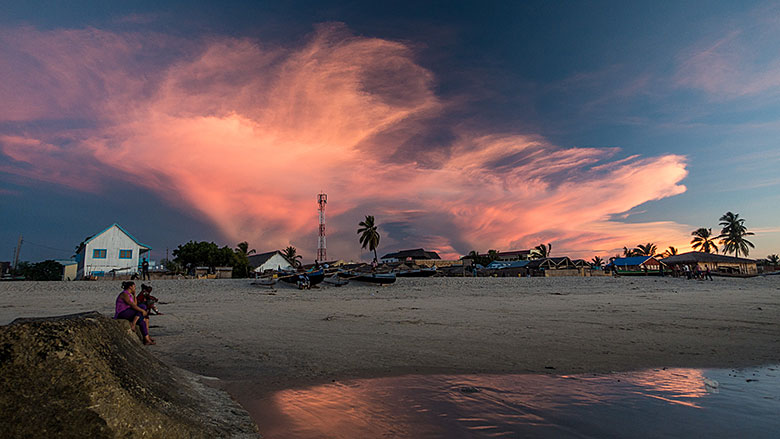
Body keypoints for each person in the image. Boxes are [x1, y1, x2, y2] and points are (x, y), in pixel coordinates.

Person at [114, 281, 155, 345]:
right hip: (122, 312)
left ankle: (147, 339)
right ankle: (133, 323)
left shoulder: (130, 294)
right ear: (130, 287)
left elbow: (135, 304)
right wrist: (142, 310)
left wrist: (134, 295)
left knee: (142, 321)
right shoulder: (124, 294)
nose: (135, 288)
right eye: (134, 287)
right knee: (142, 307)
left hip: (128, 311)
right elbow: (132, 305)